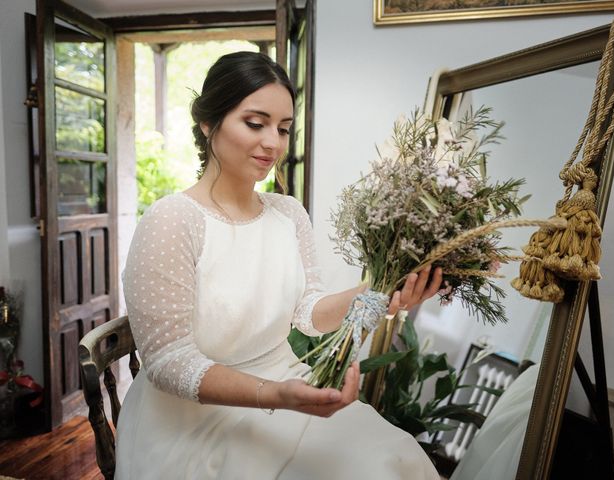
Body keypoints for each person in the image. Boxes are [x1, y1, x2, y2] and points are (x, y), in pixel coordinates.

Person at [115, 51, 442, 480]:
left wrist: (380, 294)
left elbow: (308, 313)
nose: (273, 142)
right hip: (193, 418)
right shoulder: (172, 220)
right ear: (208, 123)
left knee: (393, 456)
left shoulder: (288, 214)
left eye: (284, 129)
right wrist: (277, 396)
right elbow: (168, 362)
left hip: (287, 382)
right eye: (255, 123)